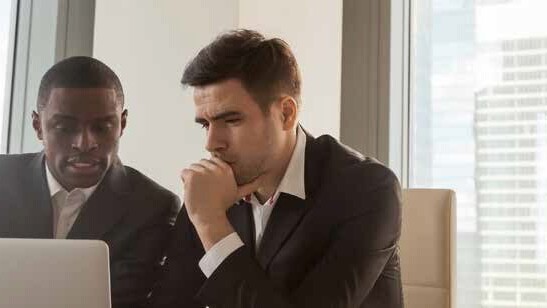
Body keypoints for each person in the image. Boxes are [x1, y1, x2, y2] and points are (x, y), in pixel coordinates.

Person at [151, 29, 403, 308]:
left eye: (231, 120)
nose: (212, 143)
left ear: (286, 114)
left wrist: (211, 223)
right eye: (205, 124)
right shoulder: (209, 187)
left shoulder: (367, 189)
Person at [0, 56, 180, 308]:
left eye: (102, 127)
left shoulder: (152, 207)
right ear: (37, 126)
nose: (84, 144)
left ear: (122, 124)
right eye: (65, 127)